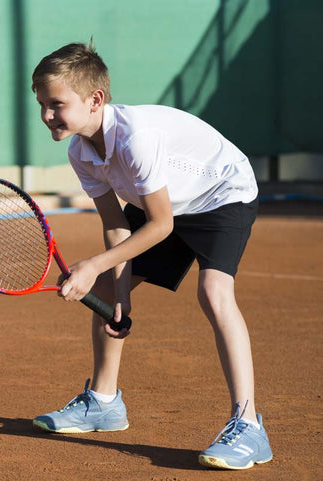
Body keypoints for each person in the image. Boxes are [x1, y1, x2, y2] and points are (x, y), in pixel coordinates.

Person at [29, 41, 272, 470]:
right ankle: (103, 403)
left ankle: (249, 426)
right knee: (105, 287)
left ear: (95, 100)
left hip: (220, 194)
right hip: (163, 201)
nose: (47, 114)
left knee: (214, 291)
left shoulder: (136, 139)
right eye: (42, 104)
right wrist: (118, 294)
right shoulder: (80, 151)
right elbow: (116, 224)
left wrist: (93, 264)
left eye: (56, 104)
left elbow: (161, 226)